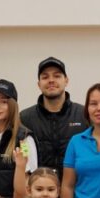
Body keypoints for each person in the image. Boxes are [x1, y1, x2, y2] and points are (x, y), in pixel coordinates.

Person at [19, 57, 86, 188]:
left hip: (77, 191)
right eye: (45, 77)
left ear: (66, 80)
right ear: (39, 84)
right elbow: (23, 159)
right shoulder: (24, 119)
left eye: (57, 76)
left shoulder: (84, 115)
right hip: (39, 193)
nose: (51, 80)